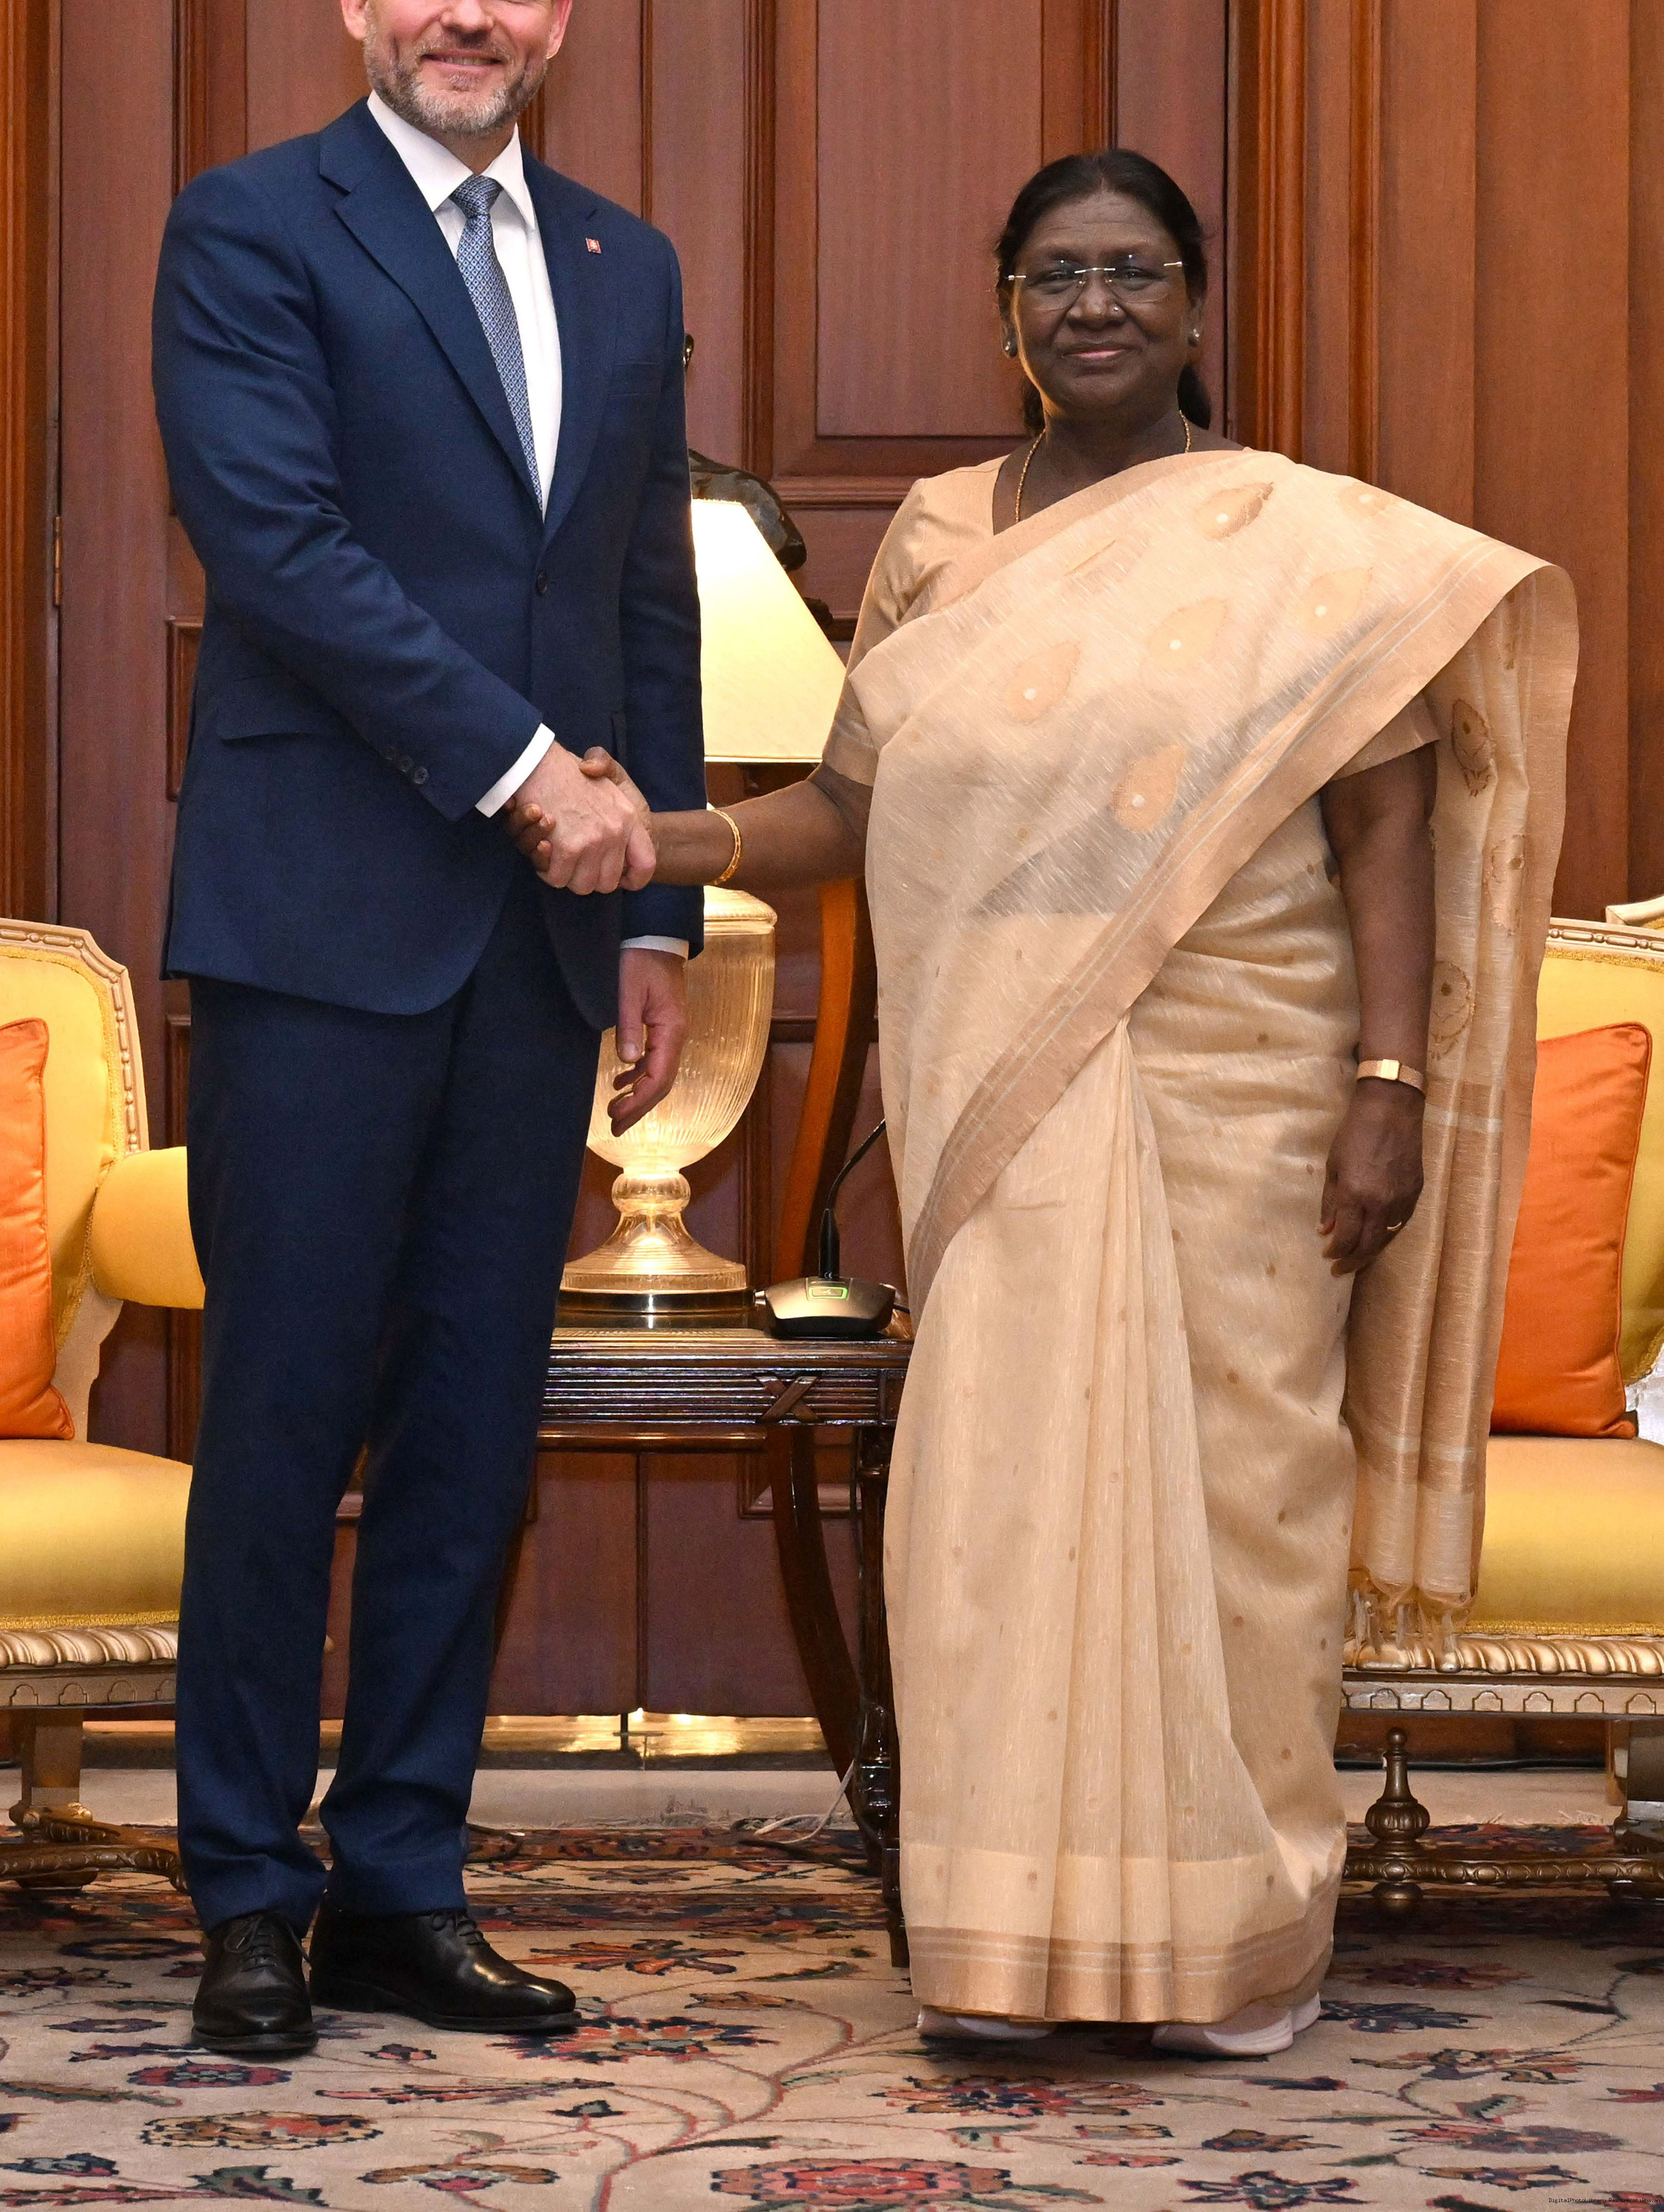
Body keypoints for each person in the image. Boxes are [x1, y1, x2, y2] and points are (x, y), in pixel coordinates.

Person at [516, 151, 1576, 2053]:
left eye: (1135, 271)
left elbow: (1387, 823)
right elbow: (853, 806)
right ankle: (1011, 1943)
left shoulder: (1305, 545)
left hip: (1252, 1080)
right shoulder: (939, 536)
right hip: (1007, 1088)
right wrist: (660, 839)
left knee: (1244, 1506)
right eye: (1057, 275)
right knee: (996, 1510)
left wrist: (1390, 1081)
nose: (1096, 305)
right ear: (1006, 308)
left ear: (1194, 301)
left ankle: (1231, 1936)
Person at [152, 0, 703, 2057]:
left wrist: (653, 898)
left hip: (542, 950)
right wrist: (523, 769)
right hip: (321, 921)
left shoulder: (626, 263)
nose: (469, 17)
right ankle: (245, 1888)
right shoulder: (252, 226)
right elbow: (277, 543)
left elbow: (644, 597)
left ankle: (403, 1878)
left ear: (560, 18)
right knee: (284, 1416)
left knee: (472, 1434)